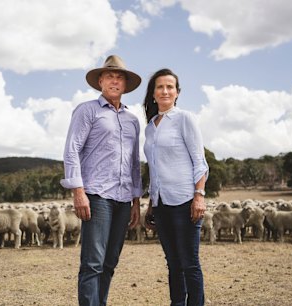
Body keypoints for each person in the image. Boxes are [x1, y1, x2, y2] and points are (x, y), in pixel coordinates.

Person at [60, 55, 143, 306]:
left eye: (120, 77)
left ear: (126, 84)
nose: (115, 81)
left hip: (123, 198)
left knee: (109, 263)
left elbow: (134, 163)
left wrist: (136, 201)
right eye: (110, 76)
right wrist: (78, 191)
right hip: (96, 196)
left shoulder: (132, 120)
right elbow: (71, 150)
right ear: (100, 81)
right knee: (92, 263)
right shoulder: (87, 111)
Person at [143, 68, 209, 306]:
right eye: (160, 87)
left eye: (170, 87)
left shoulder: (184, 119)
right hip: (161, 204)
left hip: (185, 201)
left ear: (177, 93)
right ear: (153, 94)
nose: (165, 91)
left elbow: (199, 161)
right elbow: (155, 169)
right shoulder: (150, 126)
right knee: (173, 263)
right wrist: (151, 204)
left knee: (189, 262)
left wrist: (199, 196)